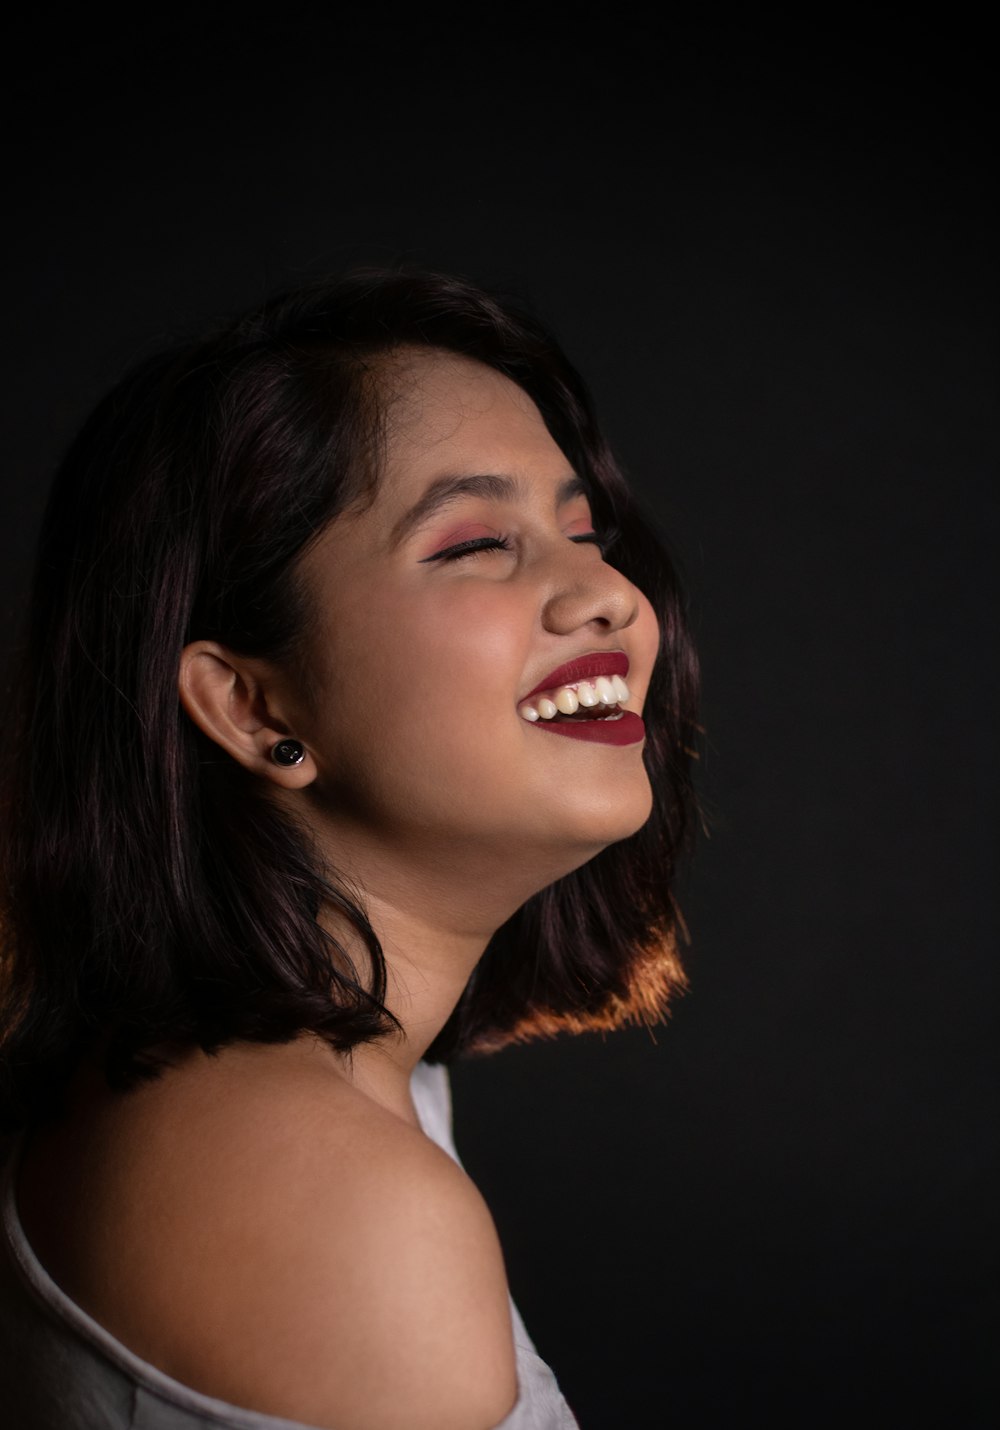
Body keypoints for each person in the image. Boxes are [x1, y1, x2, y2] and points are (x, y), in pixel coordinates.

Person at [0, 269, 699, 1429]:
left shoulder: (284, 1095)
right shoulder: (331, 1194)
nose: (608, 595)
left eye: (584, 531)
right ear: (249, 704)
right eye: (478, 541)